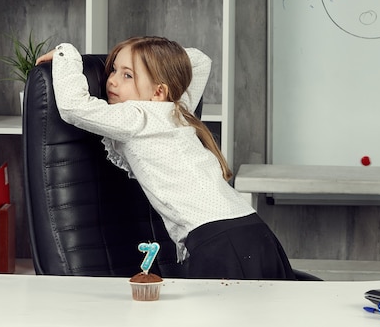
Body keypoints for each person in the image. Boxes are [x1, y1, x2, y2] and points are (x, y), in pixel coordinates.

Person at [36, 36, 295, 280]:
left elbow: (73, 107)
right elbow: (199, 60)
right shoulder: (176, 109)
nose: (112, 81)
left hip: (218, 241)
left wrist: (66, 54)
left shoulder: (137, 117)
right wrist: (149, 58)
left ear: (159, 91)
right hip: (253, 231)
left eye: (127, 75)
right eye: (113, 70)